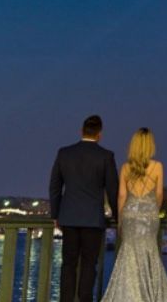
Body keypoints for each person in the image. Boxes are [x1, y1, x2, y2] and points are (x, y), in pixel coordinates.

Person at [100, 128, 167, 302]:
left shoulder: (126, 168)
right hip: (149, 216)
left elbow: (121, 196)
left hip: (130, 216)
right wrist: (151, 210)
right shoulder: (157, 167)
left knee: (130, 255)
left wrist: (120, 221)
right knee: (149, 254)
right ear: (150, 145)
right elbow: (159, 195)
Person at [50, 115, 119, 302]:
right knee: (89, 264)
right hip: (93, 220)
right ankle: (85, 299)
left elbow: (55, 187)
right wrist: (117, 217)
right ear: (99, 134)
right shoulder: (106, 156)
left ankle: (66, 299)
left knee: (68, 264)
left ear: (81, 131)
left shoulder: (64, 153)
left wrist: (55, 214)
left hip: (69, 217)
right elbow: (113, 190)